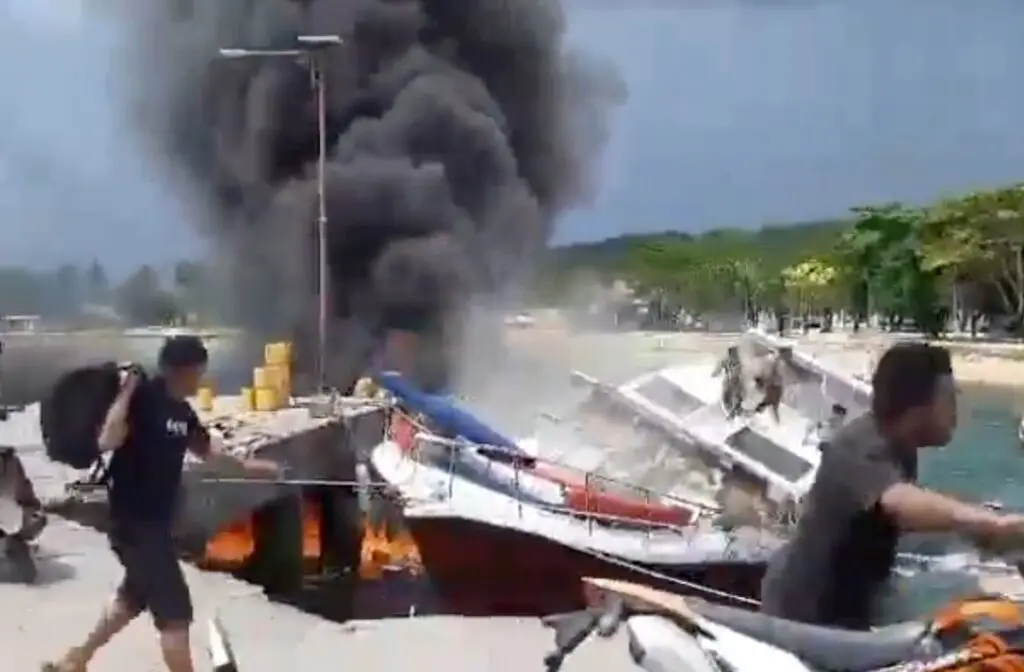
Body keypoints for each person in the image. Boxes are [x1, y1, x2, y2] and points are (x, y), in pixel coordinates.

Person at [45, 336, 282, 672]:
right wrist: (127, 392)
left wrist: (253, 469)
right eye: (197, 374)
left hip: (156, 526)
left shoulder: (183, 413)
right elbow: (108, 440)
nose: (199, 381)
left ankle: (75, 660)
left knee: (132, 599)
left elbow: (208, 453)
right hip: (133, 525)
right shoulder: (142, 399)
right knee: (176, 615)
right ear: (180, 371)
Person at [760, 343, 1024, 630]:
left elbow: (905, 516)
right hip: (809, 616)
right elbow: (898, 503)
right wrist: (988, 524)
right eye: (950, 398)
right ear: (919, 405)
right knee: (979, 621)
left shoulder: (900, 446)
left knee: (983, 600)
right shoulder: (861, 445)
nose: (956, 410)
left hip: (855, 596)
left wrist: (991, 537)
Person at [752, 346, 794, 423]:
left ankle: (778, 354)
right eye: (762, 407)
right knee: (776, 368)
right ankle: (783, 354)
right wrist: (777, 421)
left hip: (773, 383)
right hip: (776, 384)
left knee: (773, 369)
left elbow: (762, 386)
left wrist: (759, 381)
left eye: (761, 406)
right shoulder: (772, 403)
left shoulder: (766, 399)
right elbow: (775, 412)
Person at [712, 346, 744, 419]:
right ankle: (732, 414)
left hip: (736, 381)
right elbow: (715, 372)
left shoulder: (742, 361)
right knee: (728, 397)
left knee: (735, 397)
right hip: (731, 381)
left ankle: (733, 414)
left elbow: (715, 373)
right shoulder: (726, 360)